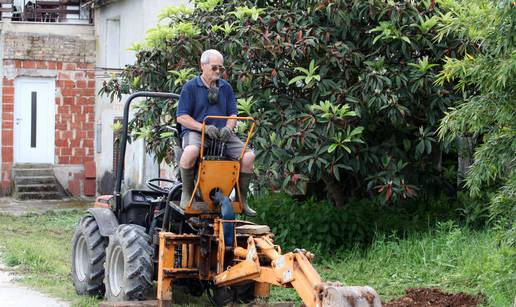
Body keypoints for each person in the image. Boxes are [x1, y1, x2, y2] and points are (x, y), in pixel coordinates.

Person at [176, 49, 256, 216]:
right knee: (190, 152)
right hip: (198, 132)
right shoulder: (190, 87)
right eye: (214, 68)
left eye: (221, 68)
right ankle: (187, 194)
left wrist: (228, 128)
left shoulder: (225, 88)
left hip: (222, 135)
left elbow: (233, 114)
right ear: (203, 66)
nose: (218, 71)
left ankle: (241, 200)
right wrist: (203, 128)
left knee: (248, 157)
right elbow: (182, 117)